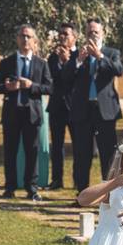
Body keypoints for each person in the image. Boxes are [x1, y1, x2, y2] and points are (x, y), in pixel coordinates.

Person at [0, 25, 53, 201]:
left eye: (29, 37)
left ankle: (31, 188)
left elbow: (49, 88)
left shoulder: (41, 63)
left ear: (34, 41)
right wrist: (8, 87)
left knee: (32, 152)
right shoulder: (7, 62)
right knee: (10, 151)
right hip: (12, 112)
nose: (25, 39)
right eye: (22, 36)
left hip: (32, 114)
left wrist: (31, 86)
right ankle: (9, 187)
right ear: (17, 39)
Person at [63, 18, 123, 192]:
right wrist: (78, 61)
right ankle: (82, 193)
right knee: (82, 154)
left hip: (105, 111)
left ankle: (108, 195)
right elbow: (65, 77)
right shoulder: (78, 54)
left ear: (102, 33)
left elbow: (118, 70)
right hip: (83, 111)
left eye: (96, 32)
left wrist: (100, 56)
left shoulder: (111, 53)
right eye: (89, 32)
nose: (93, 35)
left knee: (108, 154)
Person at [46, 22, 78, 190]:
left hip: (75, 108)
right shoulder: (53, 57)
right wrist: (60, 61)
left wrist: (67, 62)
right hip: (57, 107)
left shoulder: (80, 55)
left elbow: (75, 79)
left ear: (74, 37)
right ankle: (57, 180)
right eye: (61, 34)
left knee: (78, 146)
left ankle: (78, 181)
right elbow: (51, 79)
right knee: (57, 146)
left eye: (66, 34)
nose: (62, 37)